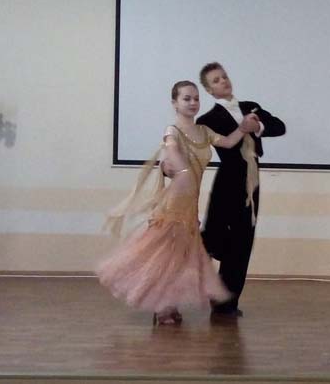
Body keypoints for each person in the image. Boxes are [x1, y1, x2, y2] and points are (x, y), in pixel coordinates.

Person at [96, 80, 258, 325]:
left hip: (190, 206)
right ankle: (163, 307)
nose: (193, 103)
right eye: (186, 98)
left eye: (196, 98)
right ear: (175, 103)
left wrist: (244, 128)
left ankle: (169, 304)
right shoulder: (172, 131)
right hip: (173, 205)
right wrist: (180, 170)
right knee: (168, 257)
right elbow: (171, 150)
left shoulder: (203, 131)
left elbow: (226, 142)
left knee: (180, 258)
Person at [196, 62, 286, 317]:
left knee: (243, 241)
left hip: (251, 181)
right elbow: (199, 148)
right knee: (213, 237)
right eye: (216, 80)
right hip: (228, 180)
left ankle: (226, 303)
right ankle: (183, 286)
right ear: (209, 90)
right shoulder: (207, 120)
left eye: (224, 76)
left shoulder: (250, 107)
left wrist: (258, 127)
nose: (223, 81)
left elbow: (279, 126)